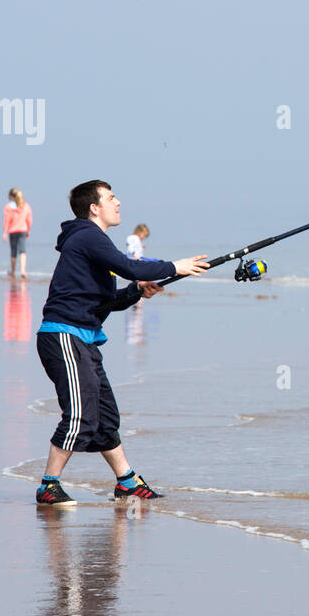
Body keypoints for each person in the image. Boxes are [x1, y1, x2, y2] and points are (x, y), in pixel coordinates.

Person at [33, 180, 210, 506]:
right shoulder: (88, 235)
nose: (118, 203)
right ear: (94, 208)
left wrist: (136, 292)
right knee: (80, 415)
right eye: (111, 198)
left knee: (104, 416)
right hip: (63, 337)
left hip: (82, 339)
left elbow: (106, 302)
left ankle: (127, 481)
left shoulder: (92, 242)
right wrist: (175, 266)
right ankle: (49, 485)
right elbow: (129, 266)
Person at [4, 188, 33, 279]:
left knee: (13, 251)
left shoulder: (9, 207)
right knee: (22, 250)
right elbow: (29, 219)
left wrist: (5, 232)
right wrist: (28, 230)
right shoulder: (26, 206)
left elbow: (7, 220)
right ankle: (23, 271)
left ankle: (13, 272)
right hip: (23, 230)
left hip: (13, 230)